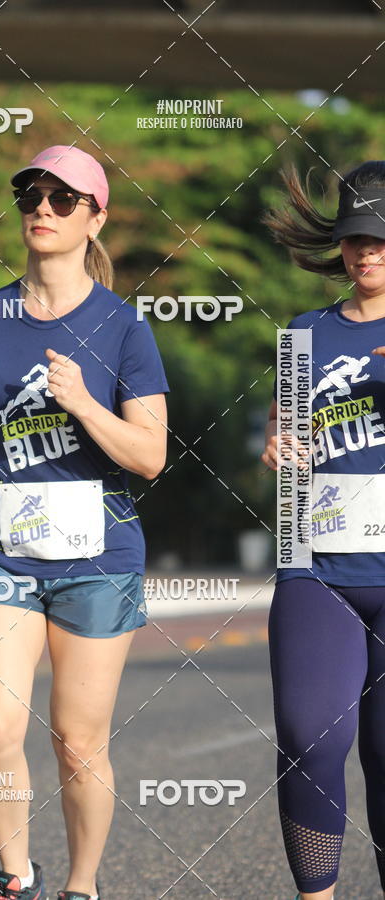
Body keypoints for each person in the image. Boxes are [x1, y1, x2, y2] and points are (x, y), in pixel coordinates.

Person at [0, 145, 170, 900]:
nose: (42, 208)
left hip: (98, 555)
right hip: (1, 546)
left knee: (77, 742)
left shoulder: (123, 328)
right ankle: (16, 877)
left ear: (94, 217)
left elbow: (150, 456)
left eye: (63, 199)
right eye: (31, 195)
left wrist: (84, 404)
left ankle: (81, 886)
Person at [261, 160, 385, 900]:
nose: (367, 252)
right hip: (316, 566)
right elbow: (283, 432)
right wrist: (275, 445)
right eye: (356, 238)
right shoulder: (304, 336)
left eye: (381, 238)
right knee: (310, 738)